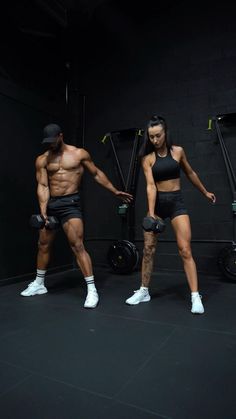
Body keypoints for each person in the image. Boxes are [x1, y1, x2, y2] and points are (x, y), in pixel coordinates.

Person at [21, 123, 133, 308]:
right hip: (52, 204)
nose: (50, 145)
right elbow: (43, 185)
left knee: (77, 245)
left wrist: (114, 191)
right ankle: (39, 284)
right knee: (43, 244)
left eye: (53, 141)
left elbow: (96, 173)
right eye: (47, 142)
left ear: (61, 136)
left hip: (70, 203)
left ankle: (91, 290)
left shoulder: (79, 154)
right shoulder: (42, 159)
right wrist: (43, 208)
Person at [125, 115, 216, 314]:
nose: (155, 140)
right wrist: (151, 213)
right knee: (148, 249)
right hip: (157, 205)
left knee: (185, 249)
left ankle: (195, 295)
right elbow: (150, 186)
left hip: (176, 203)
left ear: (166, 133)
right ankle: (144, 290)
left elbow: (190, 173)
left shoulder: (178, 152)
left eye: (158, 136)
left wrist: (205, 191)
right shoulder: (147, 158)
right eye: (151, 137)